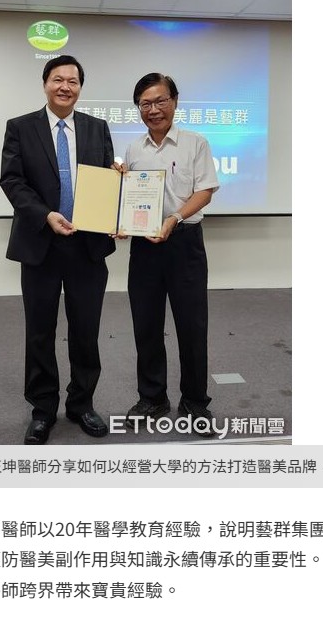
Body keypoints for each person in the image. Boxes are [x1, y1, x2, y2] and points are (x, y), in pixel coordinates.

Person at [0, 55, 115, 445]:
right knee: (39, 331)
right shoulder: (20, 127)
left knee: (86, 331)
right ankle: (43, 410)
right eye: (58, 79)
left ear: (80, 87)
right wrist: (45, 214)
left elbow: (106, 180)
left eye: (73, 81)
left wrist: (117, 198)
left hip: (87, 245)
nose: (66, 86)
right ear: (45, 83)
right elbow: (12, 181)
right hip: (41, 243)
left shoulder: (97, 128)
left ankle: (82, 404)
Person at [120, 73, 220, 437]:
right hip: (144, 247)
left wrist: (174, 218)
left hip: (184, 243)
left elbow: (205, 191)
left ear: (175, 102)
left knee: (192, 326)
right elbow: (130, 198)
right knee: (146, 325)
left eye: (160, 101)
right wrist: (120, 216)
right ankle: (152, 398)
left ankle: (194, 401)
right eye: (145, 104)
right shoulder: (134, 149)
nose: (153, 109)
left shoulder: (195, 143)